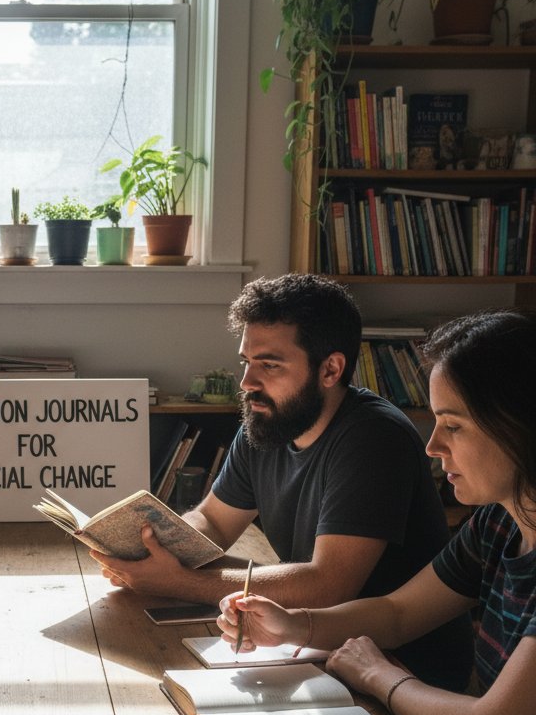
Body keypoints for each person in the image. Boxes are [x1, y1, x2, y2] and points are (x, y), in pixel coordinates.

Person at [92, 273, 473, 691]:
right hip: (311, 644)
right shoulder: (268, 420)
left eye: (269, 365)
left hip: (402, 666)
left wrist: (176, 580)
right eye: (247, 362)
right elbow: (214, 523)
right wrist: (151, 544)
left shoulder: (373, 437)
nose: (248, 383)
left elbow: (328, 585)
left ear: (330, 369)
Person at [217, 309, 536, 715]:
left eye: (453, 426)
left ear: (519, 426)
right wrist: (291, 625)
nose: (432, 446)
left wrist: (380, 675)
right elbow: (398, 612)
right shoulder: (499, 522)